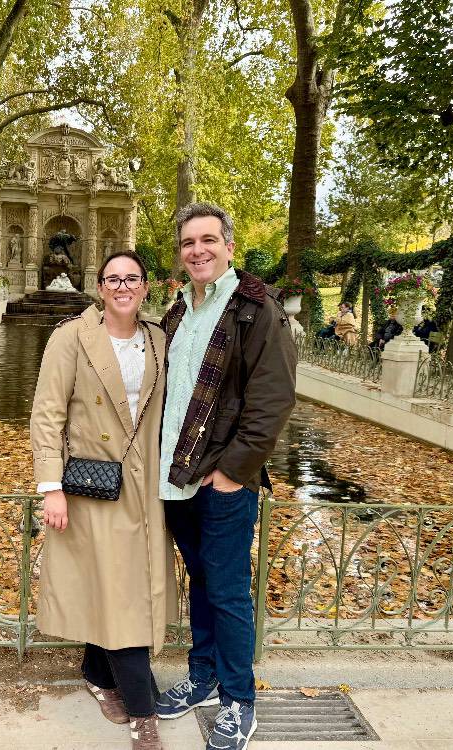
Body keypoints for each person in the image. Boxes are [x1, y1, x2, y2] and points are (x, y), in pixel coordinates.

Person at [155, 203, 297, 750]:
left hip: (223, 481)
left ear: (229, 247)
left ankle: (239, 700)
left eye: (208, 240)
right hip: (177, 478)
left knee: (229, 591)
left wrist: (233, 473)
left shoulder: (256, 310)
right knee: (202, 582)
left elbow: (272, 401)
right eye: (189, 243)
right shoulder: (180, 311)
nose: (198, 250)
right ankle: (204, 677)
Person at [30, 250, 175, 750]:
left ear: (146, 286)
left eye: (132, 278)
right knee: (119, 590)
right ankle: (143, 713)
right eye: (113, 278)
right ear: (99, 286)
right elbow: (47, 414)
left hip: (146, 487)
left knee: (118, 585)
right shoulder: (70, 337)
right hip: (93, 486)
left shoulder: (158, 339)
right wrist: (51, 487)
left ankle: (96, 673)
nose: (122, 286)